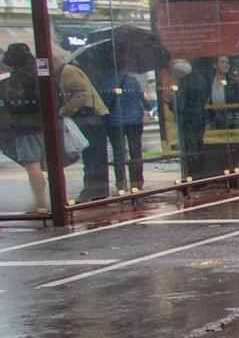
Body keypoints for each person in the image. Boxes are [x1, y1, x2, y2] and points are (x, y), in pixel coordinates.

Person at [2, 43, 48, 213]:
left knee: (32, 164)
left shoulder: (18, 76)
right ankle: (51, 199)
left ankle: (40, 202)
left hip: (26, 123)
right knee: (48, 163)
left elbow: (14, 100)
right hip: (45, 121)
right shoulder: (39, 70)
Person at [58, 50, 110, 201]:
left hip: (89, 117)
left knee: (92, 155)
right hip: (90, 117)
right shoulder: (67, 71)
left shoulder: (68, 72)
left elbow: (81, 94)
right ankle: (97, 189)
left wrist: (64, 110)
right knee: (94, 156)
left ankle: (94, 189)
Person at [100, 66, 149, 193]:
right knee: (136, 152)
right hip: (135, 121)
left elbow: (104, 102)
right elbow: (141, 99)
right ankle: (137, 182)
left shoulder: (107, 82)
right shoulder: (133, 81)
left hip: (115, 122)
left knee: (119, 153)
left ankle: (121, 183)